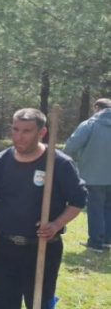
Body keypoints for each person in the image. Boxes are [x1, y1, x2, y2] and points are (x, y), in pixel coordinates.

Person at [0, 108, 87, 309]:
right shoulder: (2, 161)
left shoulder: (58, 163)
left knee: (39, 298)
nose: (19, 137)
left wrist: (56, 224)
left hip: (41, 247)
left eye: (27, 131)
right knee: (0, 295)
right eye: (15, 130)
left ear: (42, 132)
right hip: (4, 242)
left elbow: (78, 201)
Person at [64, 98, 111, 251]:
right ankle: (107, 240)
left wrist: (78, 157)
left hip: (93, 174)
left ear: (97, 107)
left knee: (96, 208)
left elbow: (71, 146)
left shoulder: (90, 124)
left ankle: (96, 243)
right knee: (108, 208)